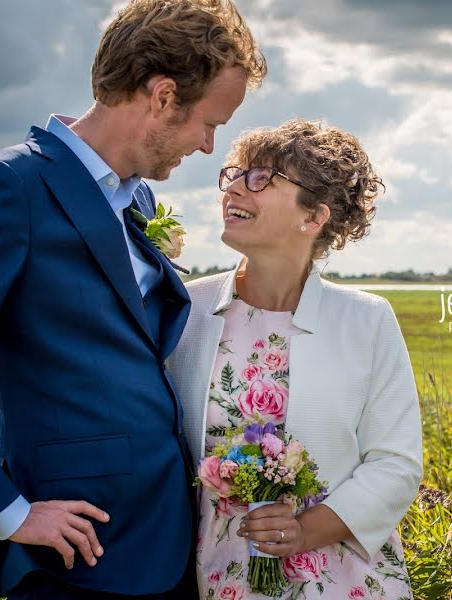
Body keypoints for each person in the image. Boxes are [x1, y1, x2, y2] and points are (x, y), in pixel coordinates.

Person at [0, 1, 265, 598]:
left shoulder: (137, 203)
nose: (209, 146)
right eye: (208, 123)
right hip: (69, 554)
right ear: (163, 95)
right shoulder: (10, 188)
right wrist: (7, 511)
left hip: (161, 537)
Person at [166, 119, 423, 599]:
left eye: (262, 178)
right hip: (215, 575)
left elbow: (396, 465)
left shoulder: (367, 320)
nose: (235, 188)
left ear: (314, 217)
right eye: (235, 173)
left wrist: (304, 531)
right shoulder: (183, 310)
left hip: (340, 576)